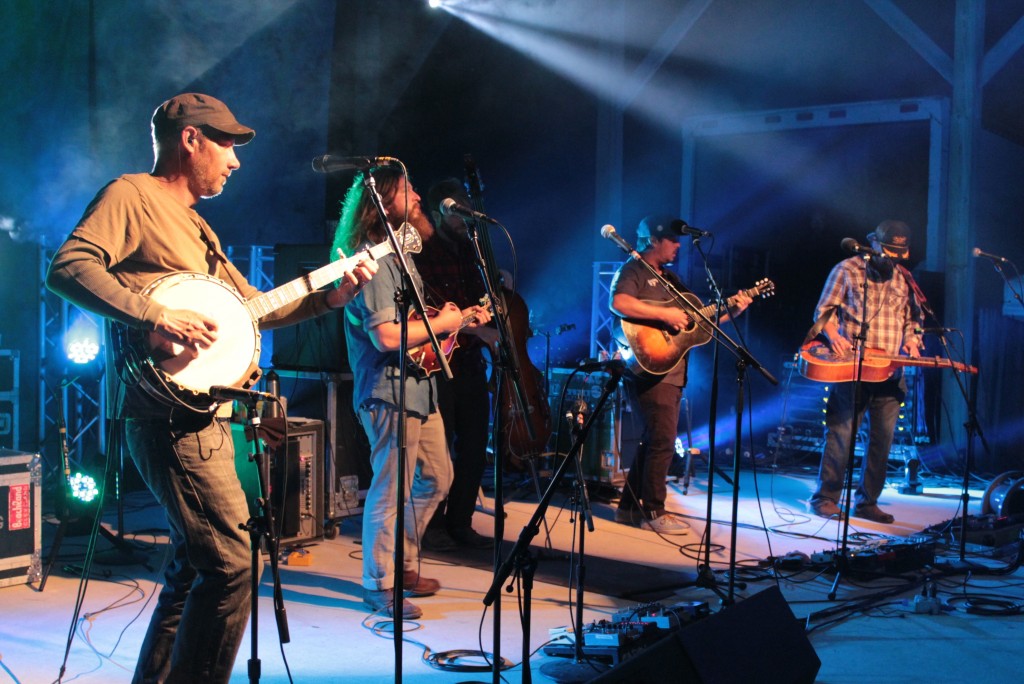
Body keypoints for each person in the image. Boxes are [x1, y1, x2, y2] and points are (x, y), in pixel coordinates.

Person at [45, 92, 377, 683]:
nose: (236, 159)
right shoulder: (132, 196)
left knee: (192, 565)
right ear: (189, 139)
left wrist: (331, 295)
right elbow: (69, 267)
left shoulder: (198, 227)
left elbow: (253, 308)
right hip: (167, 416)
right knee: (229, 565)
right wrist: (153, 316)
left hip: (207, 414)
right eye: (226, 143)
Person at [332, 166, 492, 618]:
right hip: (388, 390)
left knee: (437, 477)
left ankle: (400, 565)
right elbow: (385, 336)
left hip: (419, 388)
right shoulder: (375, 258)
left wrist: (452, 327)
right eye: (408, 190)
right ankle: (378, 582)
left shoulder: (401, 256)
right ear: (382, 202)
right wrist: (448, 321)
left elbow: (417, 333)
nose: (419, 196)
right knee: (390, 488)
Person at [611, 216, 751, 535]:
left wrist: (735, 309)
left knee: (653, 440)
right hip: (649, 367)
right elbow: (618, 302)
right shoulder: (632, 270)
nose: (678, 246)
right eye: (673, 241)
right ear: (654, 241)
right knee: (662, 440)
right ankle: (656, 510)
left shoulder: (670, 279)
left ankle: (629, 508)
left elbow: (700, 321)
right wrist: (664, 313)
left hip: (672, 370)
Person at [808, 220, 923, 524]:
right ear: (873, 243)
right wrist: (834, 336)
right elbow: (823, 312)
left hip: (891, 371)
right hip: (853, 368)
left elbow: (915, 318)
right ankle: (825, 498)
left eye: (898, 254)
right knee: (842, 434)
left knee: (882, 440)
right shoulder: (847, 269)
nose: (892, 260)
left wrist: (913, 340)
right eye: (887, 252)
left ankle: (867, 501)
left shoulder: (904, 278)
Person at [416, 178, 496, 551]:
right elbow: (432, 312)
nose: (463, 217)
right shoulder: (425, 251)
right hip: (439, 363)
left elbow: (472, 302)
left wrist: (484, 313)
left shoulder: (471, 250)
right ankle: (431, 526)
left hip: (469, 361)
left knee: (476, 443)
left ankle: (460, 521)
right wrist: (471, 324)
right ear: (438, 212)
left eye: (466, 208)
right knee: (438, 449)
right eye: (456, 210)